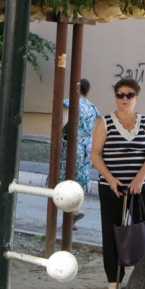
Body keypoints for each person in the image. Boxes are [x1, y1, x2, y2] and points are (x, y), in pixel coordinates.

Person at [90, 77, 145, 289]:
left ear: (136, 98)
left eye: (129, 95)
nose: (124, 98)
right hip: (112, 188)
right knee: (113, 232)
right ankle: (114, 278)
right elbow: (95, 154)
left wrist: (139, 178)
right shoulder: (105, 122)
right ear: (115, 96)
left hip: (142, 187)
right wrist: (111, 179)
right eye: (120, 94)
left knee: (143, 232)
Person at [59, 78, 100, 230]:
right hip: (87, 147)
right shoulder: (92, 107)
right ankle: (72, 222)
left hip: (71, 144)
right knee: (78, 181)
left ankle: (75, 211)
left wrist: (57, 136)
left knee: (65, 180)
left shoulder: (69, 102)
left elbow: (63, 122)